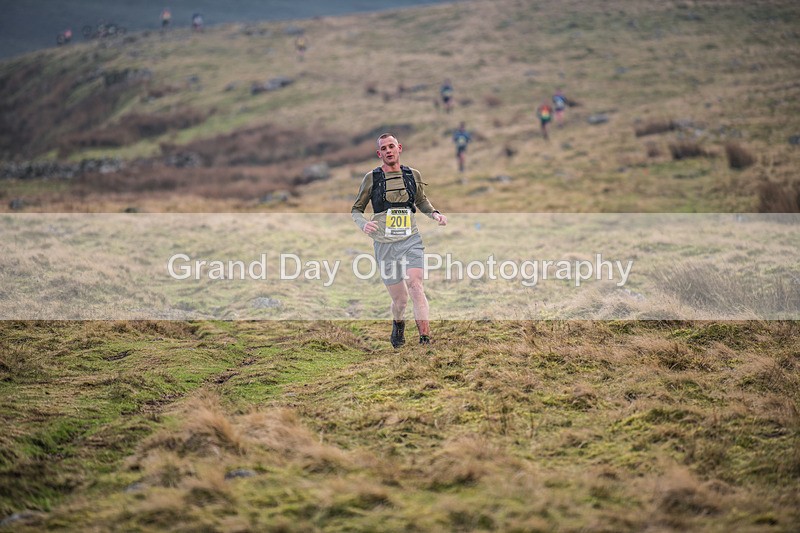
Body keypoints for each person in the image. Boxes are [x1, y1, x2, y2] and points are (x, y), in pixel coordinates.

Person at [351, 133, 448, 347]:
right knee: (400, 301)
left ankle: (425, 339)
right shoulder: (372, 178)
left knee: (416, 285)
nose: (388, 151)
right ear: (379, 153)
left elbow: (421, 200)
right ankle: (398, 324)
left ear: (399, 148)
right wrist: (364, 224)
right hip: (384, 245)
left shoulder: (412, 174)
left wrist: (435, 214)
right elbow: (356, 209)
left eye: (391, 146)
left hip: (410, 240)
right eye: (383, 148)